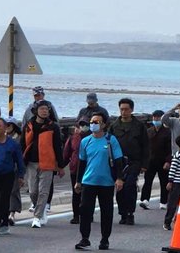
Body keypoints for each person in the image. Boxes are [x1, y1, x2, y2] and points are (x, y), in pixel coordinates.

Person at [73, 114, 125, 250]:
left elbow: (118, 160)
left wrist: (119, 178)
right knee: (85, 210)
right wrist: (78, 181)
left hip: (106, 183)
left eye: (96, 122)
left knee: (106, 212)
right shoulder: (85, 141)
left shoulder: (110, 140)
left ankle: (105, 239)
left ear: (103, 125)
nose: (93, 124)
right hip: (89, 181)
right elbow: (82, 162)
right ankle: (85, 238)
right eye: (91, 122)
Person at [21, 100, 66, 228]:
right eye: (42, 109)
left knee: (43, 191)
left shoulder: (53, 126)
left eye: (47, 109)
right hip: (31, 163)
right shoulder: (28, 126)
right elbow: (22, 145)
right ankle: (39, 210)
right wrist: (20, 162)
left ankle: (37, 216)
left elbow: (58, 146)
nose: (45, 111)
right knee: (33, 191)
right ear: (36, 111)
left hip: (48, 163)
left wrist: (60, 165)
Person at [108, 98, 148, 225]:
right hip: (119, 162)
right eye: (121, 109)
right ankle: (122, 213)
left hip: (134, 161)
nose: (123, 112)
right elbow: (108, 144)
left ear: (131, 110)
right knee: (120, 187)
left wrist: (144, 164)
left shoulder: (139, 126)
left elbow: (146, 146)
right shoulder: (114, 126)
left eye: (126, 109)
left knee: (130, 186)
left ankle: (130, 213)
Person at [140, 110, 171, 210]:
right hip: (150, 160)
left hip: (163, 161)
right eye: (154, 118)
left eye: (158, 118)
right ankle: (145, 200)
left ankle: (163, 202)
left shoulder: (168, 132)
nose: (155, 120)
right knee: (148, 181)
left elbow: (170, 148)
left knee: (164, 181)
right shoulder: (149, 131)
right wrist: (143, 161)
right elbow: (144, 147)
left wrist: (168, 161)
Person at [63, 117, 90, 224]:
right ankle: (76, 215)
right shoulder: (73, 138)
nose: (83, 127)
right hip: (75, 168)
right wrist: (60, 167)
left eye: (85, 125)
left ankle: (88, 214)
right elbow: (66, 153)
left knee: (87, 193)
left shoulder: (93, 137)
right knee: (76, 192)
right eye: (81, 125)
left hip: (89, 169)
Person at [5, 118, 24, 226]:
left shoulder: (19, 139)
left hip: (16, 168)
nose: (7, 127)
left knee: (14, 190)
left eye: (9, 125)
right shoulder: (2, 137)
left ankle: (12, 213)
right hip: (4, 168)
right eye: (6, 125)